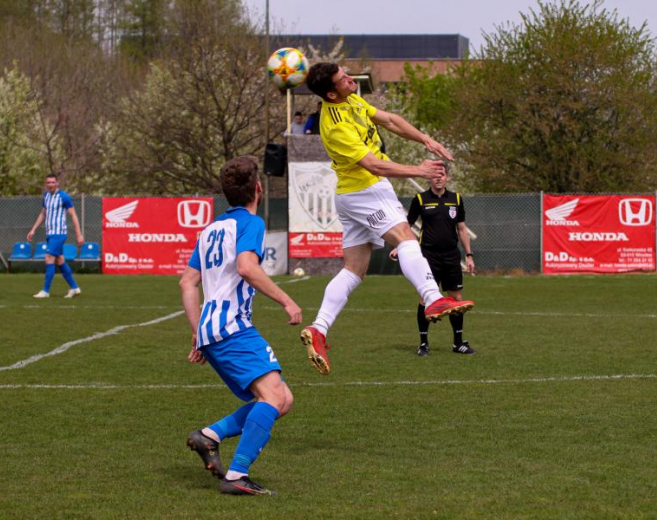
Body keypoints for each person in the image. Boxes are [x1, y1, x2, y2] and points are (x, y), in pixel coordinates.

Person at [300, 62, 474, 375]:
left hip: (350, 195)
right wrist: (420, 170)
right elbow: (374, 166)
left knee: (353, 269)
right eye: (343, 79)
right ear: (330, 92)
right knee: (406, 237)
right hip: (367, 190)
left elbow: (389, 120)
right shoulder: (334, 125)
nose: (350, 79)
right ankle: (433, 297)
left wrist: (425, 139)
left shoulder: (350, 99)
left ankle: (319, 329)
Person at [180, 156, 302, 496]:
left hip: (212, 328)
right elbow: (247, 267)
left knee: (283, 399)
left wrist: (197, 332)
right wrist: (286, 300)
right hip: (232, 326)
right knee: (274, 396)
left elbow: (187, 283)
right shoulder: (250, 223)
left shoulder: (209, 230)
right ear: (258, 189)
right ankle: (236, 476)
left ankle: (210, 436)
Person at [392, 169, 476, 356]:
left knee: (456, 300)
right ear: (430, 177)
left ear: (447, 178)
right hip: (427, 257)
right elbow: (406, 227)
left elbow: (462, 229)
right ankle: (423, 344)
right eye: (435, 175)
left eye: (442, 175)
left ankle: (458, 343)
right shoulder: (420, 199)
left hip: (451, 257)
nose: (438, 178)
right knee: (425, 299)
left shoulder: (456, 199)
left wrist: (469, 255)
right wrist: (399, 246)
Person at [27, 174, 83, 298]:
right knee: (60, 260)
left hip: (59, 233)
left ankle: (45, 291)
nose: (51, 184)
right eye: (48, 182)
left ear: (57, 183)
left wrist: (79, 234)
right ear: (45, 184)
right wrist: (33, 229)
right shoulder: (46, 196)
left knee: (48, 258)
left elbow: (73, 215)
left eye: (53, 182)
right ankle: (74, 288)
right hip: (50, 233)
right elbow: (43, 213)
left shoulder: (64, 196)